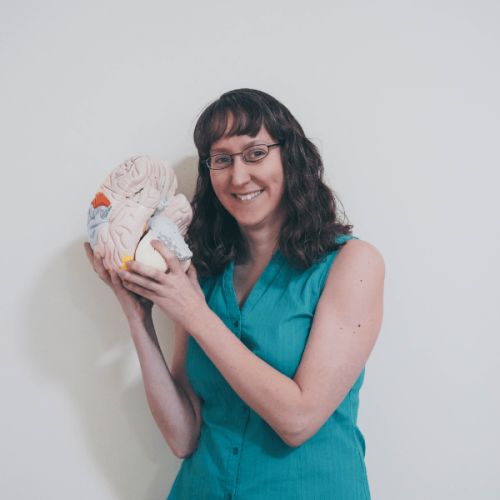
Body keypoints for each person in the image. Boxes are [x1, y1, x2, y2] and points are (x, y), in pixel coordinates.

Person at [84, 88, 385, 500]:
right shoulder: (203, 272)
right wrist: (139, 317)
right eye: (222, 160)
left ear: (290, 156)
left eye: (255, 153)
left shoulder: (352, 264)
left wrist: (194, 313)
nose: (238, 177)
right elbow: (183, 437)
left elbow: (298, 421)